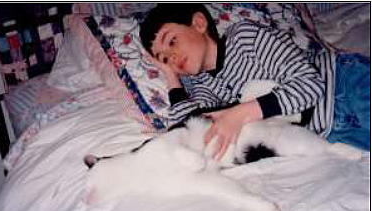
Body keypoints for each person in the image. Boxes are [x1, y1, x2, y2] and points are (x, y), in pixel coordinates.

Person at [139, 3, 368, 160]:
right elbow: (189, 133)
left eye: (171, 42)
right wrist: (171, 76)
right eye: (164, 58)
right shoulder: (198, 85)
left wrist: (240, 113)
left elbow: (309, 83)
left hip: (344, 85)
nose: (172, 57)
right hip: (330, 130)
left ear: (199, 23)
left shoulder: (244, 37)